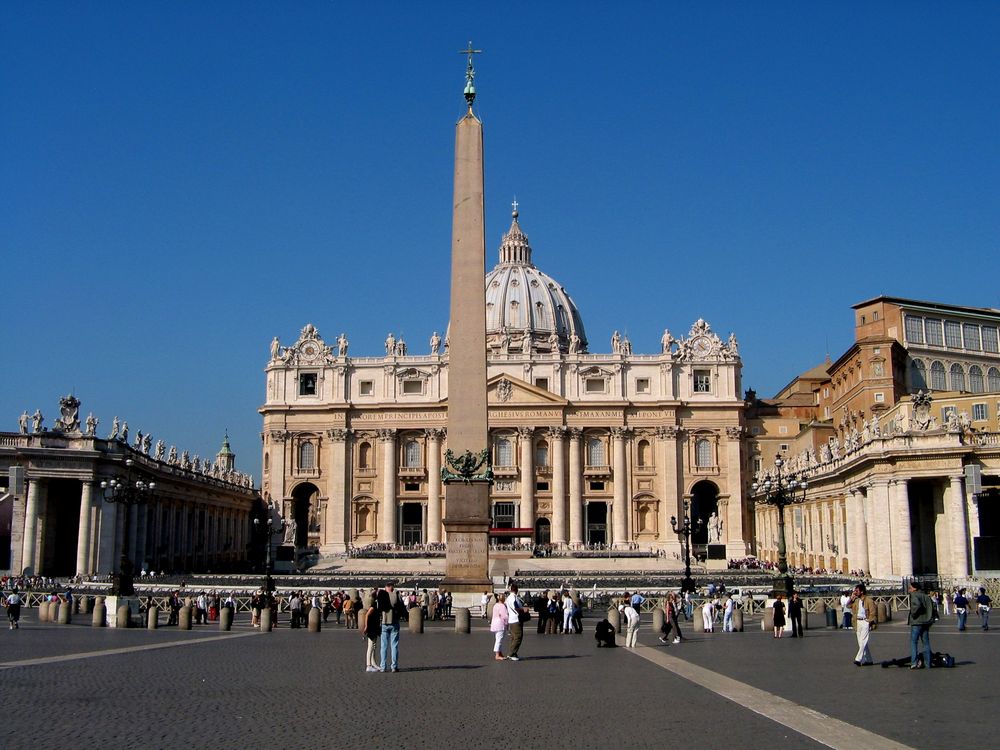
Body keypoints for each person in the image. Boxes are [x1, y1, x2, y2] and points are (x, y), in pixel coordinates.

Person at [377, 582, 404, 672]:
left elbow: (378, 608)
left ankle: (383, 667)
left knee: (383, 646)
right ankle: (394, 666)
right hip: (394, 622)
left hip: (384, 622)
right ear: (392, 587)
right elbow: (401, 607)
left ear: (386, 587)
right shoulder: (396, 595)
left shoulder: (382, 596)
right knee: (394, 645)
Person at [907, 581, 935, 669]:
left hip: (917, 622)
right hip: (926, 622)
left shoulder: (914, 595)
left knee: (914, 642)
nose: (909, 590)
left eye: (910, 588)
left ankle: (914, 662)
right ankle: (928, 663)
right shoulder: (925, 595)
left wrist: (913, 614)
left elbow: (917, 605)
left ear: (914, 589)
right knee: (926, 643)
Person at [849, 583, 876, 666]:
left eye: (857, 591)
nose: (855, 592)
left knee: (863, 641)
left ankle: (858, 659)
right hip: (857, 622)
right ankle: (869, 660)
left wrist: (869, 621)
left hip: (865, 622)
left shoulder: (869, 601)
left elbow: (873, 612)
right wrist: (851, 598)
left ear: (862, 591)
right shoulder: (856, 600)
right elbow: (848, 605)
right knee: (861, 642)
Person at [505, 583, 529, 661]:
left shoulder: (508, 598)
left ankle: (513, 653)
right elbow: (516, 608)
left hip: (511, 619)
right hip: (516, 619)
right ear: (516, 590)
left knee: (513, 637)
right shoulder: (514, 598)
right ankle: (511, 653)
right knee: (518, 637)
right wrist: (524, 610)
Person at [362, 592, 381, 672]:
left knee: (373, 646)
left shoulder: (376, 605)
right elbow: (367, 615)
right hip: (371, 628)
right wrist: (366, 626)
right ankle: (368, 665)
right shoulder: (373, 606)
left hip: (375, 627)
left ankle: (373, 663)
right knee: (370, 646)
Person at [490, 592, 509, 660]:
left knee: (498, 638)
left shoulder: (495, 605)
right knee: (499, 639)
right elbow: (505, 616)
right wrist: (507, 623)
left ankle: (500, 653)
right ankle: (497, 654)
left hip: (495, 623)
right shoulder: (502, 606)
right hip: (500, 624)